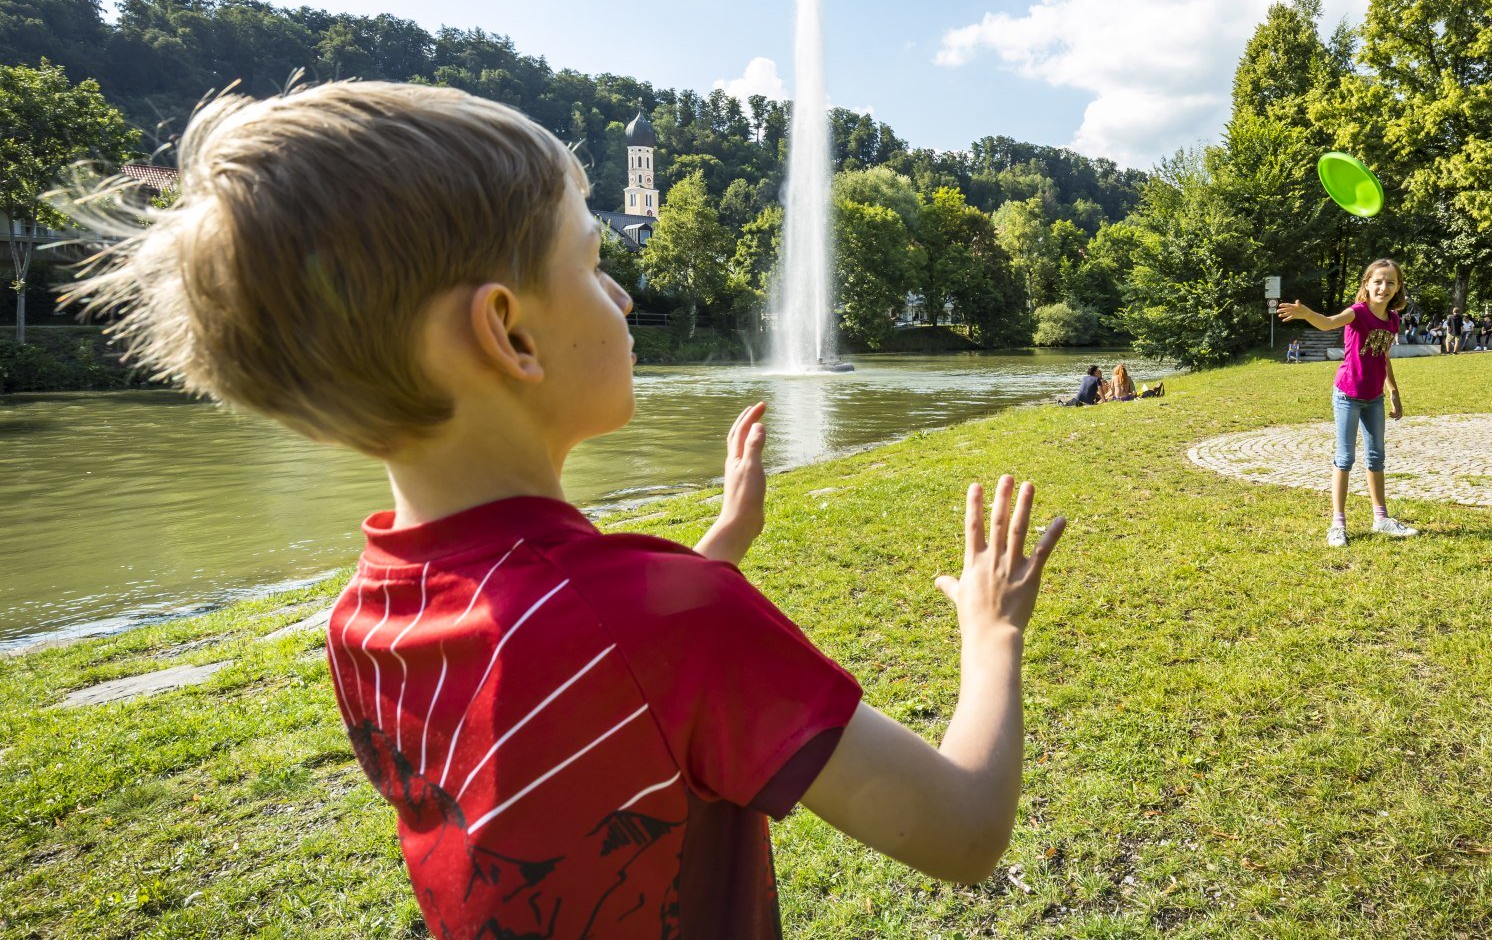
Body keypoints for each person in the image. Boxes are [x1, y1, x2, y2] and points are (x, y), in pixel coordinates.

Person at [62, 81, 1069, 938]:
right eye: (592, 263)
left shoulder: (365, 619)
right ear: (511, 334)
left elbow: (558, 712)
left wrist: (718, 549)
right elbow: (964, 832)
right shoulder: (670, 622)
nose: (624, 296)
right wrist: (992, 635)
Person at [1276, 259, 1421, 547]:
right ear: (1366, 284)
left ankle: (1381, 519)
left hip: (1374, 398)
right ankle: (1337, 524)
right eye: (1378, 281)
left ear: (1398, 287)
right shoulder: (1357, 313)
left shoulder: (1392, 319)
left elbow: (1383, 355)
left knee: (1376, 456)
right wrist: (1306, 313)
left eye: (1390, 282)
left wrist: (1393, 391)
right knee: (1344, 459)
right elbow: (1328, 323)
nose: (1383, 287)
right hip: (1347, 395)